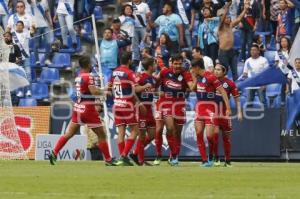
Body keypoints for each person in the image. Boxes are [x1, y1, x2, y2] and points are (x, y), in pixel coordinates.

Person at [49, 56, 117, 166]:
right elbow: (94, 92)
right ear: (88, 65)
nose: (92, 65)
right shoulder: (89, 76)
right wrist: (105, 92)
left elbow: (88, 90)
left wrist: (104, 89)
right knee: (102, 135)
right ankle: (108, 159)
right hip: (88, 109)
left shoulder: (79, 76)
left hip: (78, 107)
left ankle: (54, 153)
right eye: (90, 63)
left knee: (69, 133)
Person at [155, 54, 196, 166]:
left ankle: (174, 157)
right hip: (165, 103)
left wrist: (194, 76)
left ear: (182, 63)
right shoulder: (164, 72)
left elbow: (192, 88)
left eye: (179, 63)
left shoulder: (185, 74)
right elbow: (155, 85)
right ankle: (159, 155)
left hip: (179, 104)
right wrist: (157, 92)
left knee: (177, 133)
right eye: (175, 63)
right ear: (171, 63)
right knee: (169, 128)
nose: (177, 66)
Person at [109, 52, 147, 166]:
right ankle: (124, 155)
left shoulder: (114, 72)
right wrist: (146, 86)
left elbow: (110, 87)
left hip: (117, 104)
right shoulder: (129, 73)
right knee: (135, 130)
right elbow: (137, 89)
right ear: (129, 61)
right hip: (126, 106)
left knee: (121, 131)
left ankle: (123, 159)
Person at [190, 59, 231, 167]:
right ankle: (204, 160)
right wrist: (194, 79)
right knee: (199, 133)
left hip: (210, 108)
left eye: (192, 68)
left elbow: (223, 92)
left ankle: (212, 155)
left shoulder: (211, 77)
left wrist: (228, 108)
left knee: (209, 136)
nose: (191, 70)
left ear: (197, 68)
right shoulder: (198, 77)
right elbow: (193, 89)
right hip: (199, 108)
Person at [212, 63, 243, 167]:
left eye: (218, 70)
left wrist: (239, 112)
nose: (216, 71)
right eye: (215, 69)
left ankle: (228, 160)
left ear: (224, 72)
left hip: (225, 113)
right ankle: (216, 158)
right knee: (215, 135)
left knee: (227, 138)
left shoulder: (229, 83)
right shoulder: (211, 82)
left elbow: (237, 99)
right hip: (214, 113)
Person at [130, 57, 157, 166]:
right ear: (150, 66)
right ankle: (140, 160)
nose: (156, 66)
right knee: (141, 135)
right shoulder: (140, 77)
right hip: (141, 109)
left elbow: (150, 91)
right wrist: (145, 87)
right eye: (154, 64)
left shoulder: (153, 79)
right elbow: (134, 90)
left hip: (149, 109)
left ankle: (135, 153)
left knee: (151, 135)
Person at [218, 1, 249, 81]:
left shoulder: (231, 25)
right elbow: (223, 18)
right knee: (223, 72)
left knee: (235, 72)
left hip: (232, 52)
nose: (228, 19)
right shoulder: (220, 27)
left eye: (229, 18)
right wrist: (227, 7)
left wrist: (245, 10)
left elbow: (239, 18)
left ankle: (236, 90)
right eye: (226, 18)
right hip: (223, 53)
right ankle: (223, 90)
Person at [12, 20, 32, 97]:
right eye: (17, 25)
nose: (19, 26)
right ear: (15, 26)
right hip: (17, 59)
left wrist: (32, 27)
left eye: (20, 25)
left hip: (26, 57)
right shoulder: (13, 35)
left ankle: (29, 90)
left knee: (28, 75)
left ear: (23, 27)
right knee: (19, 75)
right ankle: (20, 91)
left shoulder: (26, 33)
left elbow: (32, 32)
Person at [130, 0, 151, 69]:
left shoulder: (145, 5)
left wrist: (148, 24)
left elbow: (148, 16)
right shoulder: (129, 4)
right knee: (134, 44)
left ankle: (147, 58)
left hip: (143, 26)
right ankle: (136, 60)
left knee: (146, 44)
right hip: (133, 27)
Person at [30, 0, 53, 65]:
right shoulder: (32, 2)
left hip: (45, 25)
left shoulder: (45, 1)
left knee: (49, 42)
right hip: (36, 26)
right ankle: (37, 60)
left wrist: (50, 22)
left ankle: (46, 59)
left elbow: (46, 12)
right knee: (36, 44)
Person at [275, 36, 291, 105]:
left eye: (285, 41)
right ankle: (283, 101)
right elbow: (276, 62)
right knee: (283, 86)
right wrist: (277, 67)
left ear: (288, 42)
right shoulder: (278, 52)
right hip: (282, 72)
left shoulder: (291, 50)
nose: (283, 43)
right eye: (282, 41)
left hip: (290, 71)